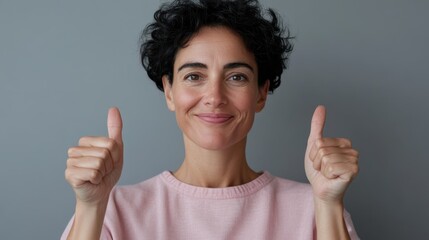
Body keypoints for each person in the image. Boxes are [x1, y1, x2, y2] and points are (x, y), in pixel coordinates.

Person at [62, 0, 360, 239]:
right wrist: (90, 207)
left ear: (261, 93)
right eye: (194, 76)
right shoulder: (113, 210)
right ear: (169, 91)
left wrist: (328, 204)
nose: (214, 96)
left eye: (236, 77)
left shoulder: (315, 208)